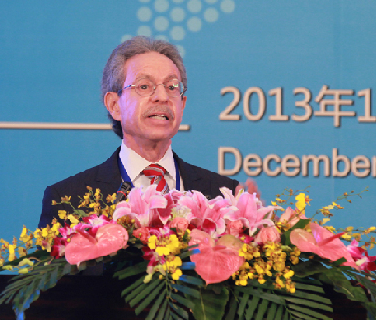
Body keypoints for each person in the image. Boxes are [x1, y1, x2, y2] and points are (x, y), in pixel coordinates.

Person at [38, 36, 240, 229]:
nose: (162, 96)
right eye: (144, 86)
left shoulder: (223, 196)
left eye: (171, 87)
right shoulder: (68, 199)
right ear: (114, 105)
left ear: (182, 105)